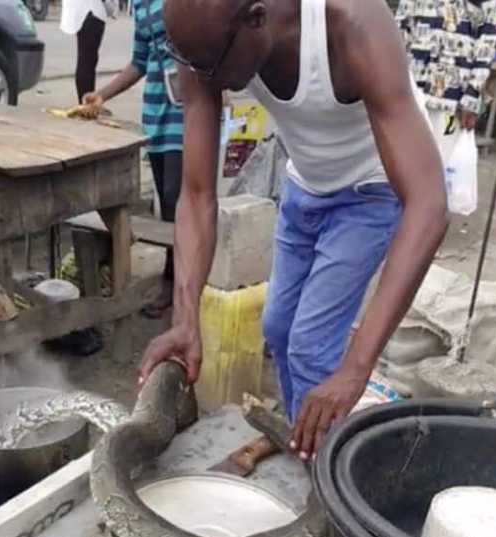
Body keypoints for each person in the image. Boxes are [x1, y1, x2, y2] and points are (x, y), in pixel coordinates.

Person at [141, 0, 450, 461]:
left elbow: (428, 203)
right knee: (279, 327)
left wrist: (355, 368)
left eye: (208, 66)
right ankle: (302, 435)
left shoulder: (352, 22)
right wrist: (187, 317)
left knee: (311, 349)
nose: (201, 79)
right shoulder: (207, 41)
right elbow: (198, 192)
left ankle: (329, 492)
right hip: (305, 182)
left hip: (374, 188)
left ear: (256, 19)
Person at [82, 0, 183, 318]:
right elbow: (140, 61)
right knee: (166, 205)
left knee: (176, 200)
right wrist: (102, 94)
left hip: (188, 112)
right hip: (155, 114)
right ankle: (176, 281)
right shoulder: (140, 5)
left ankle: (177, 285)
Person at [396, 0, 496, 159]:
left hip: (452, 100)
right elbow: (400, 27)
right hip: (409, 89)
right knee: (399, 158)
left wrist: (471, 98)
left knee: (438, 163)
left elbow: (486, 44)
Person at [62, 0, 113, 101]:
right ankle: (86, 104)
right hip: (91, 11)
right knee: (87, 62)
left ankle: (87, 102)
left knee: (88, 60)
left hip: (84, 12)